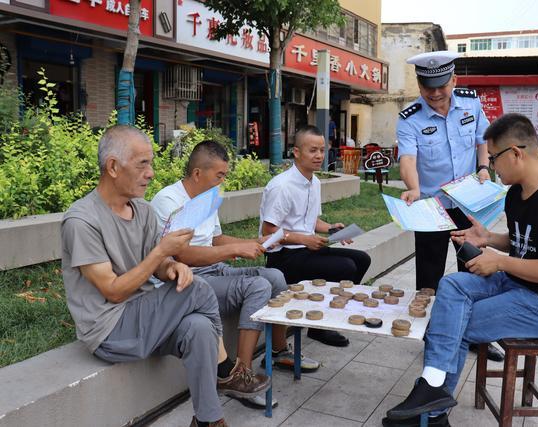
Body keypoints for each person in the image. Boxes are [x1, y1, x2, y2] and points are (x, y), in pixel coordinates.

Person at [383, 113, 538, 427]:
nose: (491, 166)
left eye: (494, 158)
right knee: (452, 284)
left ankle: (433, 408)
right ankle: (432, 388)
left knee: (457, 321)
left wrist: (499, 261)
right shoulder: (516, 194)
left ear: (517, 153)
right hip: (516, 285)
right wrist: (490, 239)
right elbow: (525, 240)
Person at [61, 126, 268, 427]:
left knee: (197, 327)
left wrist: (173, 267)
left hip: (145, 316)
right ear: (113, 167)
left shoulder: (142, 211)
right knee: (199, 289)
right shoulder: (82, 220)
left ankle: (208, 421)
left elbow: (158, 265)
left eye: (151, 164)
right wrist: (162, 253)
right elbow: (113, 292)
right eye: (142, 164)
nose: (151, 173)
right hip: (109, 329)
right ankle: (226, 371)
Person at [150, 140, 320, 389]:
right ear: (198, 173)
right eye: (219, 175)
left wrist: (254, 242)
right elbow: (181, 256)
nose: (223, 181)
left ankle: (278, 351)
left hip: (213, 270)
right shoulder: (168, 200)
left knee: (274, 276)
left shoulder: (208, 196)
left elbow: (215, 239)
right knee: (258, 286)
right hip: (187, 279)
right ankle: (240, 374)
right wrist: (233, 250)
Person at [396, 50, 503, 362]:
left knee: (474, 268)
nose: (435, 92)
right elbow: (408, 159)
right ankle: (432, 335)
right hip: (430, 204)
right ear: (419, 85)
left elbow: (483, 138)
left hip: (467, 203)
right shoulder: (410, 117)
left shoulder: (471, 102)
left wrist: (484, 167)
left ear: (454, 80)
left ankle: (474, 334)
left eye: (441, 84)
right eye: (428, 85)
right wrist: (413, 188)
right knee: (429, 273)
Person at [260, 125, 371, 347]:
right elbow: (268, 232)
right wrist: (305, 239)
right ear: (296, 152)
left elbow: (309, 221)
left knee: (362, 260)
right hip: (283, 258)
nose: (319, 155)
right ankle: (321, 325)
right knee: (346, 268)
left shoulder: (314, 182)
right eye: (313, 150)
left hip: (306, 249)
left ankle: (321, 323)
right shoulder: (282, 186)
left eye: (322, 150)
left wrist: (331, 228)